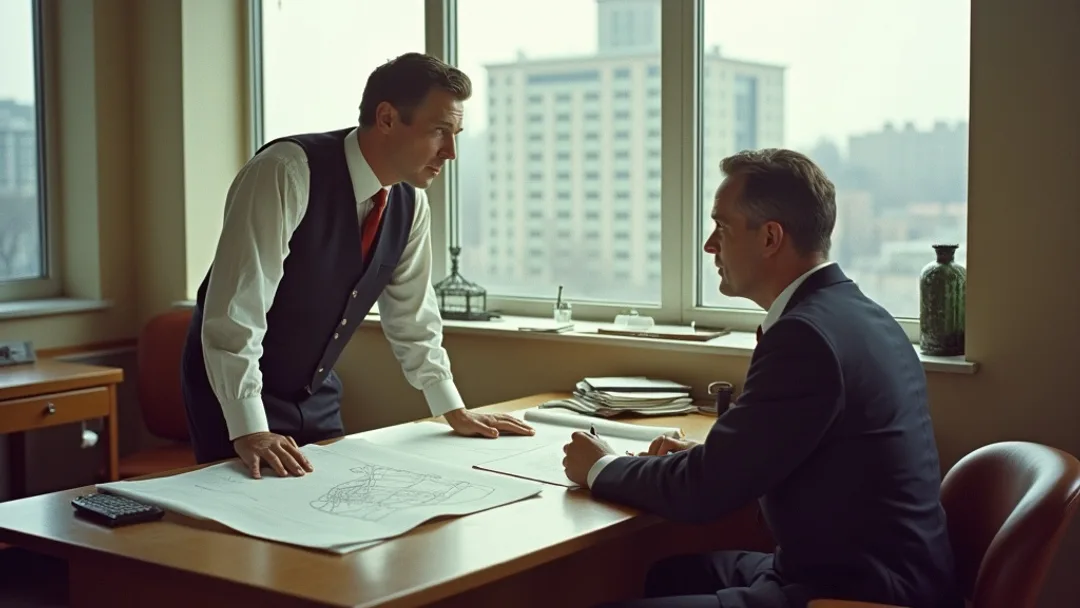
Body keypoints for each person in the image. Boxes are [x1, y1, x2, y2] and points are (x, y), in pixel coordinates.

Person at [562, 149, 962, 608]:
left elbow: (705, 490)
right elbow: (782, 455)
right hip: (876, 571)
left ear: (771, 237)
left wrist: (600, 467)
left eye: (722, 227)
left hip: (853, 593)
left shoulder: (804, 336)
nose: (709, 245)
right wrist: (716, 458)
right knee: (669, 574)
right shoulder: (862, 314)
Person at [181, 52, 533, 479]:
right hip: (234, 396)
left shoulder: (411, 205)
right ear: (386, 118)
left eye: (456, 134)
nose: (451, 152)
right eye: (439, 131)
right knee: (243, 517)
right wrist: (250, 428)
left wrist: (452, 409)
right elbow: (236, 312)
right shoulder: (285, 171)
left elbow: (413, 319)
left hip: (318, 395)